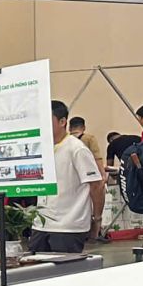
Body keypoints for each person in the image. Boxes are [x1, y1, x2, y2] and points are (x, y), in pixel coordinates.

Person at [33, 100, 104, 253]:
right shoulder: (41, 148)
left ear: (62, 122)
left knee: (64, 267)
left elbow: (96, 185)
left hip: (68, 225)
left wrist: (97, 218)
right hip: (41, 224)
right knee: (36, 266)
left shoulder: (76, 149)